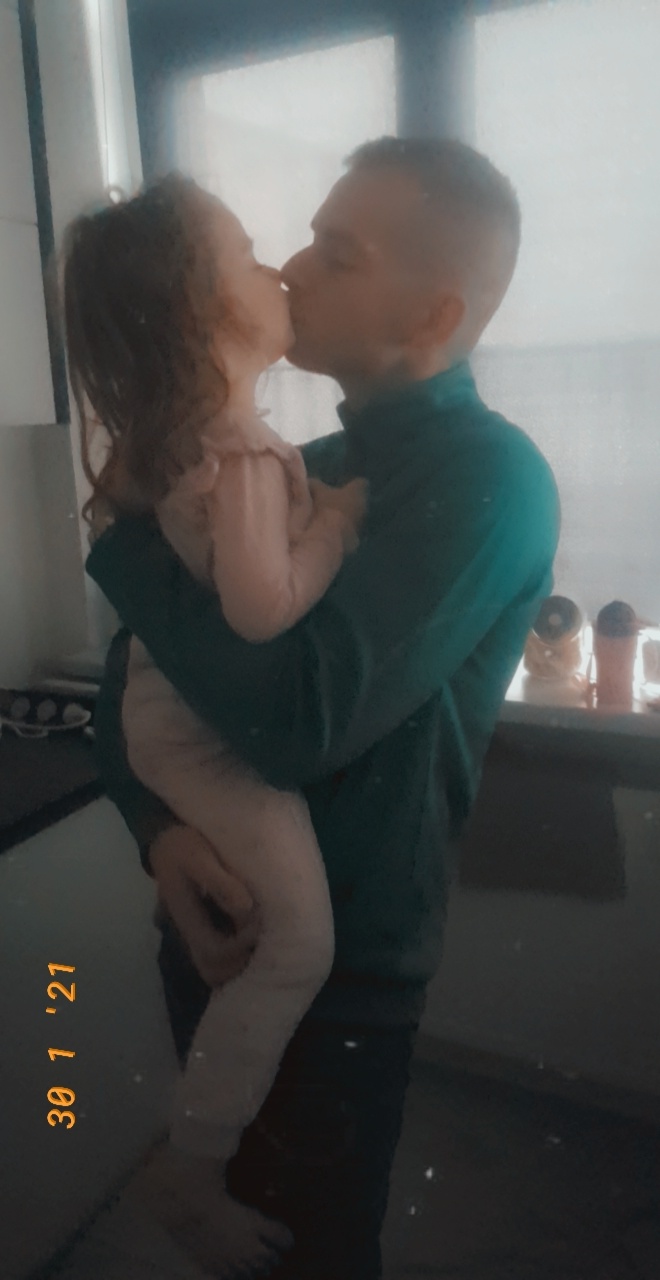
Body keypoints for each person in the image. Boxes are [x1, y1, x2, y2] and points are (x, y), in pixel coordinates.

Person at [86, 136, 561, 1280]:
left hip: (341, 979)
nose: (292, 268)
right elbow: (126, 686)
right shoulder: (296, 461)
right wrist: (161, 840)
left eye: (337, 253)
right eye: (304, 239)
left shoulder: (487, 480)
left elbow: (296, 722)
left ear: (432, 316)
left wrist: (122, 544)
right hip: (212, 924)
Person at [62, 172, 371, 1277]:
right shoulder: (237, 451)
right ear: (201, 310)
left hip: (171, 724)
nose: (275, 265)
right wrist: (334, 529)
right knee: (301, 944)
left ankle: (197, 1151)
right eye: (245, 252)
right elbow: (259, 609)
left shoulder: (209, 438)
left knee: (276, 938)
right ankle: (189, 1168)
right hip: (194, 739)